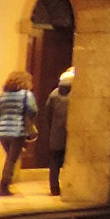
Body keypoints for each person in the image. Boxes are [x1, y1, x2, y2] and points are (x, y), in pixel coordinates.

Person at [0, 71, 37, 196]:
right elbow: (33, 109)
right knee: (11, 160)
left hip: (2, 131)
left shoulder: (3, 96)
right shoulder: (27, 95)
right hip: (17, 130)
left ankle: (5, 184)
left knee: (9, 158)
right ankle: (3, 186)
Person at [42, 69, 73, 197]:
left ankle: (54, 187)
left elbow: (47, 113)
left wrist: (52, 128)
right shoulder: (78, 94)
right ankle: (71, 185)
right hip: (72, 134)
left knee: (55, 160)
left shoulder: (54, 94)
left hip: (56, 132)